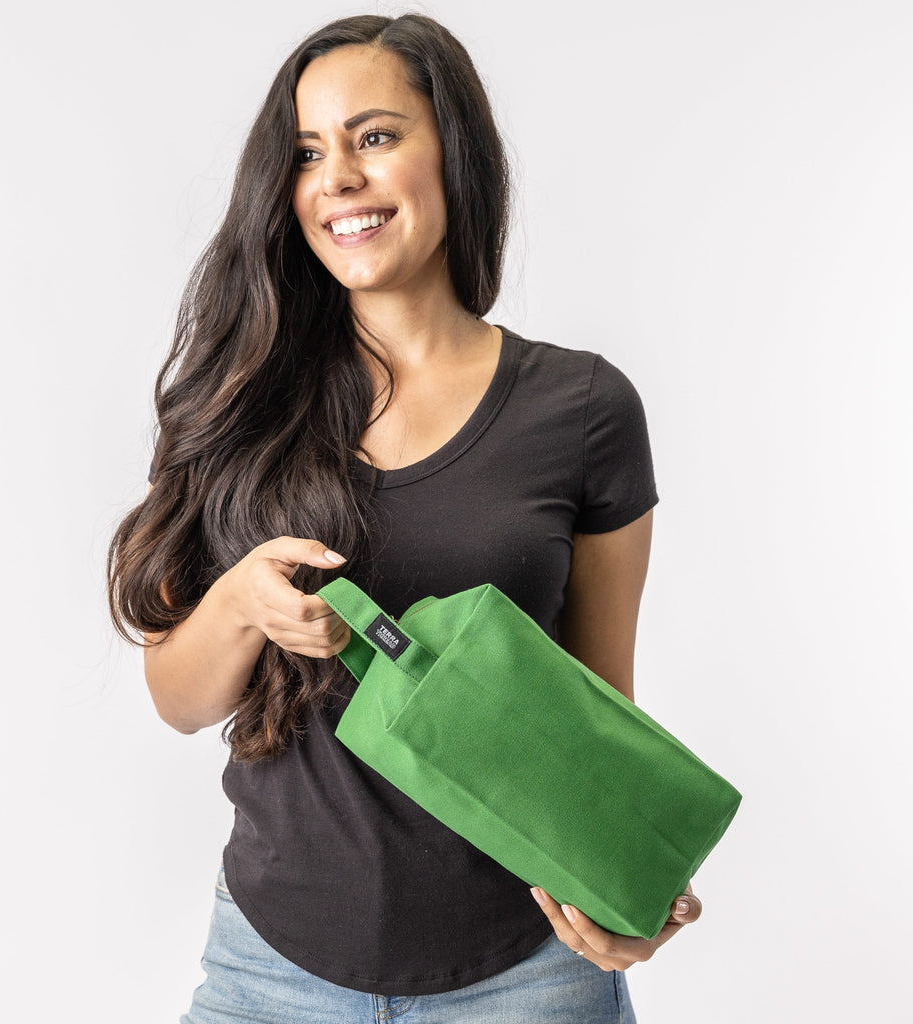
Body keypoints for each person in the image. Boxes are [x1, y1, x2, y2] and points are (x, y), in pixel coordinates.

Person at [108, 12, 701, 1022]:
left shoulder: (583, 409)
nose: (338, 177)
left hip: (528, 974)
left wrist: (645, 895)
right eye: (307, 153)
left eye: (374, 136)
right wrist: (243, 602)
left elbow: (600, 713)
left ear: (453, 151)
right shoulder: (245, 402)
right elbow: (178, 697)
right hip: (270, 972)